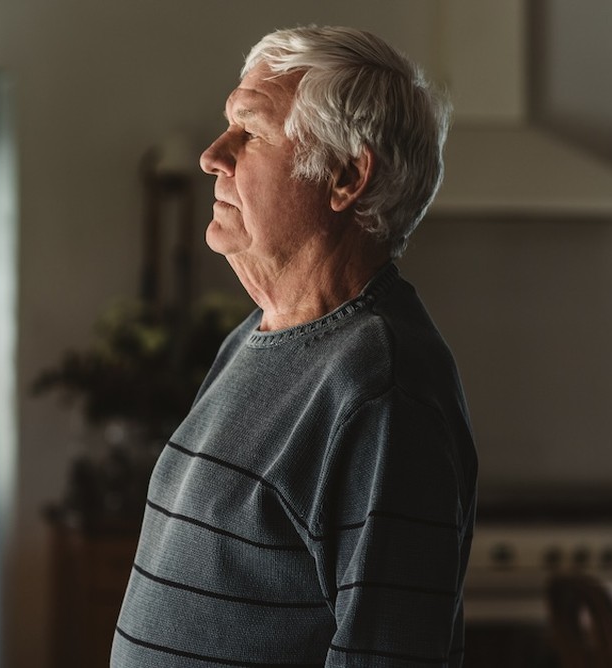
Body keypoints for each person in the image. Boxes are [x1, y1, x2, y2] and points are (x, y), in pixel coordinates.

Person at [111, 25, 478, 667]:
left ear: (344, 176)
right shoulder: (252, 339)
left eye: (250, 133)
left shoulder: (382, 389)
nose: (212, 156)